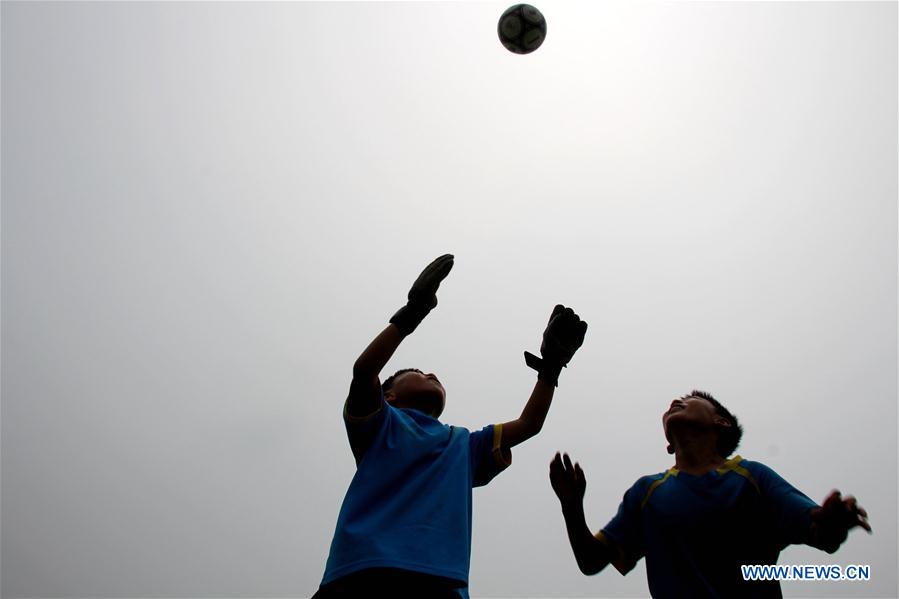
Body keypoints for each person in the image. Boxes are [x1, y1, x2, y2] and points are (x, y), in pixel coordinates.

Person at [314, 254, 587, 598]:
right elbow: (364, 370)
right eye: (416, 372)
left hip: (439, 582)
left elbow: (529, 424)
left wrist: (551, 367)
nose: (430, 374)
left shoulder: (463, 444)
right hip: (361, 570)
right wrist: (413, 311)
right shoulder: (380, 422)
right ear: (389, 395)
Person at [549, 390, 871, 598]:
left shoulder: (751, 478)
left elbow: (821, 532)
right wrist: (571, 507)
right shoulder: (646, 493)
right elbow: (591, 560)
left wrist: (834, 519)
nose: (676, 401)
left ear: (722, 422)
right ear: (669, 444)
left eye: (689, 398)